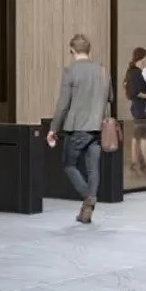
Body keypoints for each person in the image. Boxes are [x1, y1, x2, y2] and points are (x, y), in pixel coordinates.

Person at [47, 33, 113, 224]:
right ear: (89, 50)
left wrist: (53, 129)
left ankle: (88, 197)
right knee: (93, 169)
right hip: (98, 127)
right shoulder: (102, 70)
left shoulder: (70, 71)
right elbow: (110, 97)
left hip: (77, 128)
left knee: (69, 165)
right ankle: (86, 212)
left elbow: (63, 104)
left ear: (72, 50)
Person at [124, 47, 146, 179]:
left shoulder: (130, 71)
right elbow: (137, 93)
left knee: (136, 136)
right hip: (140, 108)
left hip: (135, 108)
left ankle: (134, 163)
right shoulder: (137, 73)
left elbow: (129, 91)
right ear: (142, 58)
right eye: (145, 58)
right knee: (144, 138)